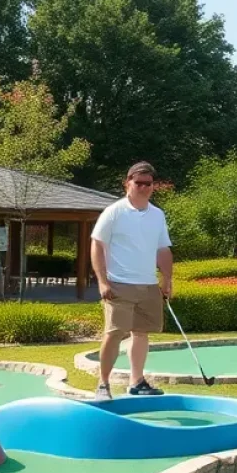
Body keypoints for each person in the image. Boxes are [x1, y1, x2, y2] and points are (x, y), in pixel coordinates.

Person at [90, 161, 172, 401]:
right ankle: (103, 384)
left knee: (141, 333)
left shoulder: (157, 215)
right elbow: (97, 244)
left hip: (147, 285)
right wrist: (103, 281)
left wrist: (167, 279)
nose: (144, 187)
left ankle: (137, 382)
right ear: (128, 183)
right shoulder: (114, 211)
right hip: (118, 284)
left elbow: (163, 249)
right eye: (139, 183)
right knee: (114, 333)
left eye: (149, 184)